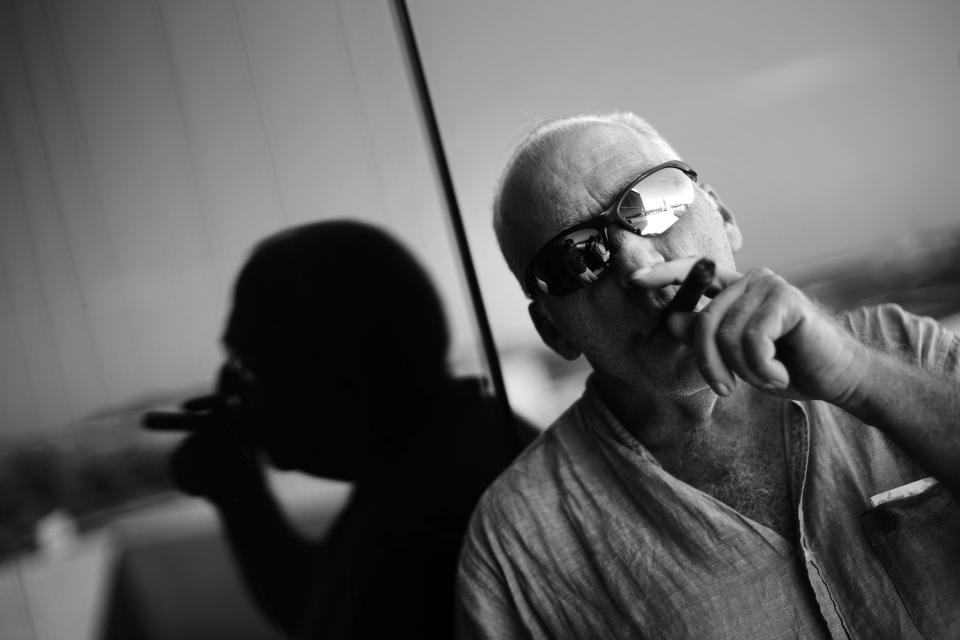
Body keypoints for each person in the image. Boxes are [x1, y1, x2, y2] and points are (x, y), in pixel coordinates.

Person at [455, 112, 960, 639]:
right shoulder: (521, 550)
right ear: (554, 330)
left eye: (657, 202)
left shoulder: (901, 349)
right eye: (575, 258)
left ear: (722, 214)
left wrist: (859, 378)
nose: (637, 265)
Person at [143, 220, 534, 639]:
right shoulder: (437, 451)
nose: (233, 390)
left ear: (333, 365)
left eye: (249, 362)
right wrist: (239, 495)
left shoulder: (430, 517)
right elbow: (330, 604)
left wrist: (240, 493)